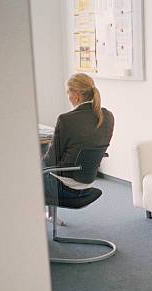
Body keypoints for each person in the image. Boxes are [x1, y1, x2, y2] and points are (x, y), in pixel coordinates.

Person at [42, 73, 114, 204]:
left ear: (76, 96)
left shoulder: (66, 120)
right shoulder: (108, 116)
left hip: (64, 187)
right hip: (88, 184)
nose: (68, 97)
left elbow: (50, 162)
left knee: (23, 174)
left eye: (68, 93)